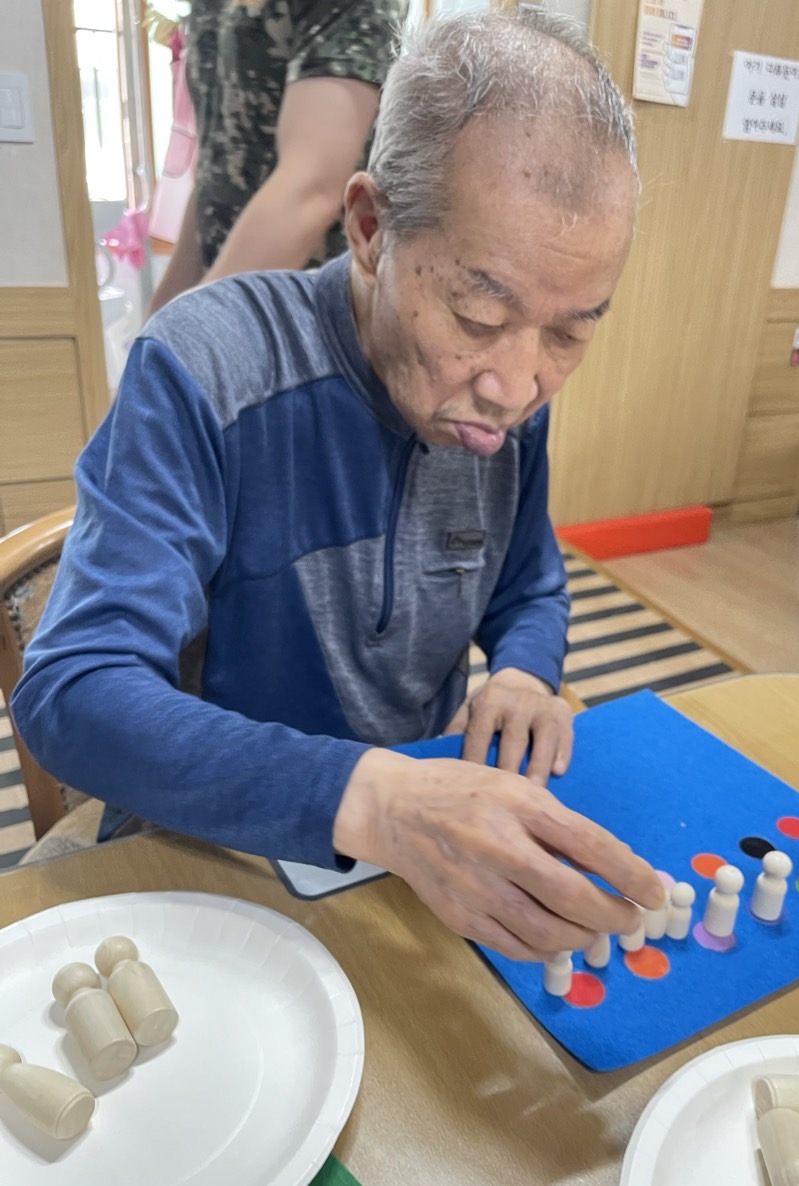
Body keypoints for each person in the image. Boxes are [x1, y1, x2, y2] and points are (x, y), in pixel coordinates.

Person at [13, 10, 663, 961]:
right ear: (369, 227)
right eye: (480, 314)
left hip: (414, 850)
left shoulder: (506, 402)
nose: (519, 385)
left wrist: (525, 671)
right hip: (218, 853)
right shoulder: (208, 367)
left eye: (571, 331)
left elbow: (529, 585)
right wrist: (376, 799)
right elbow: (73, 692)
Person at [148, 0, 405, 313]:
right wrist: (159, 322)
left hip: (317, 313)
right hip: (231, 305)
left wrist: (193, 326)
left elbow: (310, 190)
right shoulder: (209, 7)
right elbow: (215, 174)